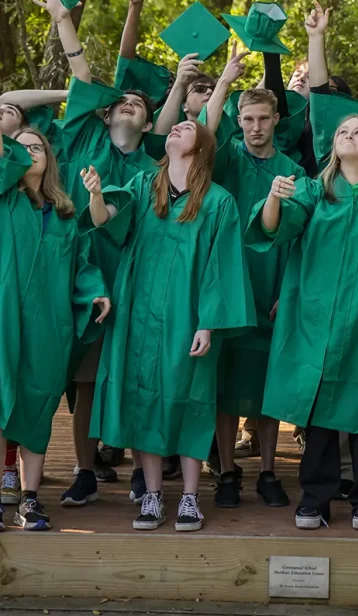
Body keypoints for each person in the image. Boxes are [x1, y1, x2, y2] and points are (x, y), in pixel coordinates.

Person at [252, 112, 358, 531]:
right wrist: (274, 197)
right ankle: (316, 497)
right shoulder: (314, 191)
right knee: (318, 410)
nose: (348, 135)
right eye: (341, 130)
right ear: (334, 146)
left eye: (357, 131)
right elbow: (276, 225)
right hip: (314, 317)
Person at [80, 119, 253, 532]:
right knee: (143, 400)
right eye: (175, 126)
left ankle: (191, 498)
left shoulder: (218, 201)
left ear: (202, 148)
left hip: (188, 317)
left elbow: (221, 267)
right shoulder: (144, 186)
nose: (176, 128)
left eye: (187, 128)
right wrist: (96, 195)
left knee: (192, 400)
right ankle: (153, 495)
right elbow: (106, 222)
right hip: (139, 315)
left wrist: (208, 324)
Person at [0, 53, 111, 532]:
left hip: (49, 326)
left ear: (49, 159)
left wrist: (97, 293)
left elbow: (82, 267)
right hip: (0, 320)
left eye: (38, 147)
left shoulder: (65, 216)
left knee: (39, 409)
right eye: (19, 146)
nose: (29, 151)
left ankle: (28, 498)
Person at [36, 0, 161, 505]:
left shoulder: (156, 170)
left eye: (137, 105)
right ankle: (85, 470)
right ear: (105, 116)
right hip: (84, 276)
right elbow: (83, 77)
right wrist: (64, 20)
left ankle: (137, 467)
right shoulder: (84, 142)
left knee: (135, 373)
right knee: (86, 382)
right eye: (120, 103)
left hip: (137, 279)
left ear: (149, 123)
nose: (127, 106)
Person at [203, 48, 303, 509]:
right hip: (229, 285)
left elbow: (303, 240)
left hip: (273, 288)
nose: (256, 126)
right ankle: (226, 472)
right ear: (238, 120)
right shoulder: (224, 162)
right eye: (247, 119)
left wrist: (289, 290)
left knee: (268, 385)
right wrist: (224, 81)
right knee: (224, 385)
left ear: (276, 119)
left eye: (264, 118)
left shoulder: (295, 173)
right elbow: (202, 135)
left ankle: (267, 471)